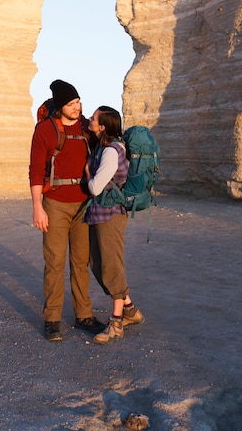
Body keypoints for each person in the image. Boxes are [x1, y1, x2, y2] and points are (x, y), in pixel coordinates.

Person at [29, 80, 104, 342]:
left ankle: (84, 315)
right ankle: (52, 319)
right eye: (72, 103)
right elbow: (36, 170)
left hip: (83, 202)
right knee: (55, 263)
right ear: (61, 105)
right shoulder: (45, 131)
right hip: (55, 204)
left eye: (79, 102)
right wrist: (37, 207)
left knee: (80, 263)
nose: (77, 107)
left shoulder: (86, 128)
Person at [85, 106, 145, 344]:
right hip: (102, 215)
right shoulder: (106, 147)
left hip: (110, 216)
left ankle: (116, 323)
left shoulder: (111, 151)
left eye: (93, 118)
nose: (89, 119)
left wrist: (87, 173)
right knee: (98, 263)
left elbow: (96, 187)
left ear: (102, 127)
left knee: (111, 266)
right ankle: (130, 310)